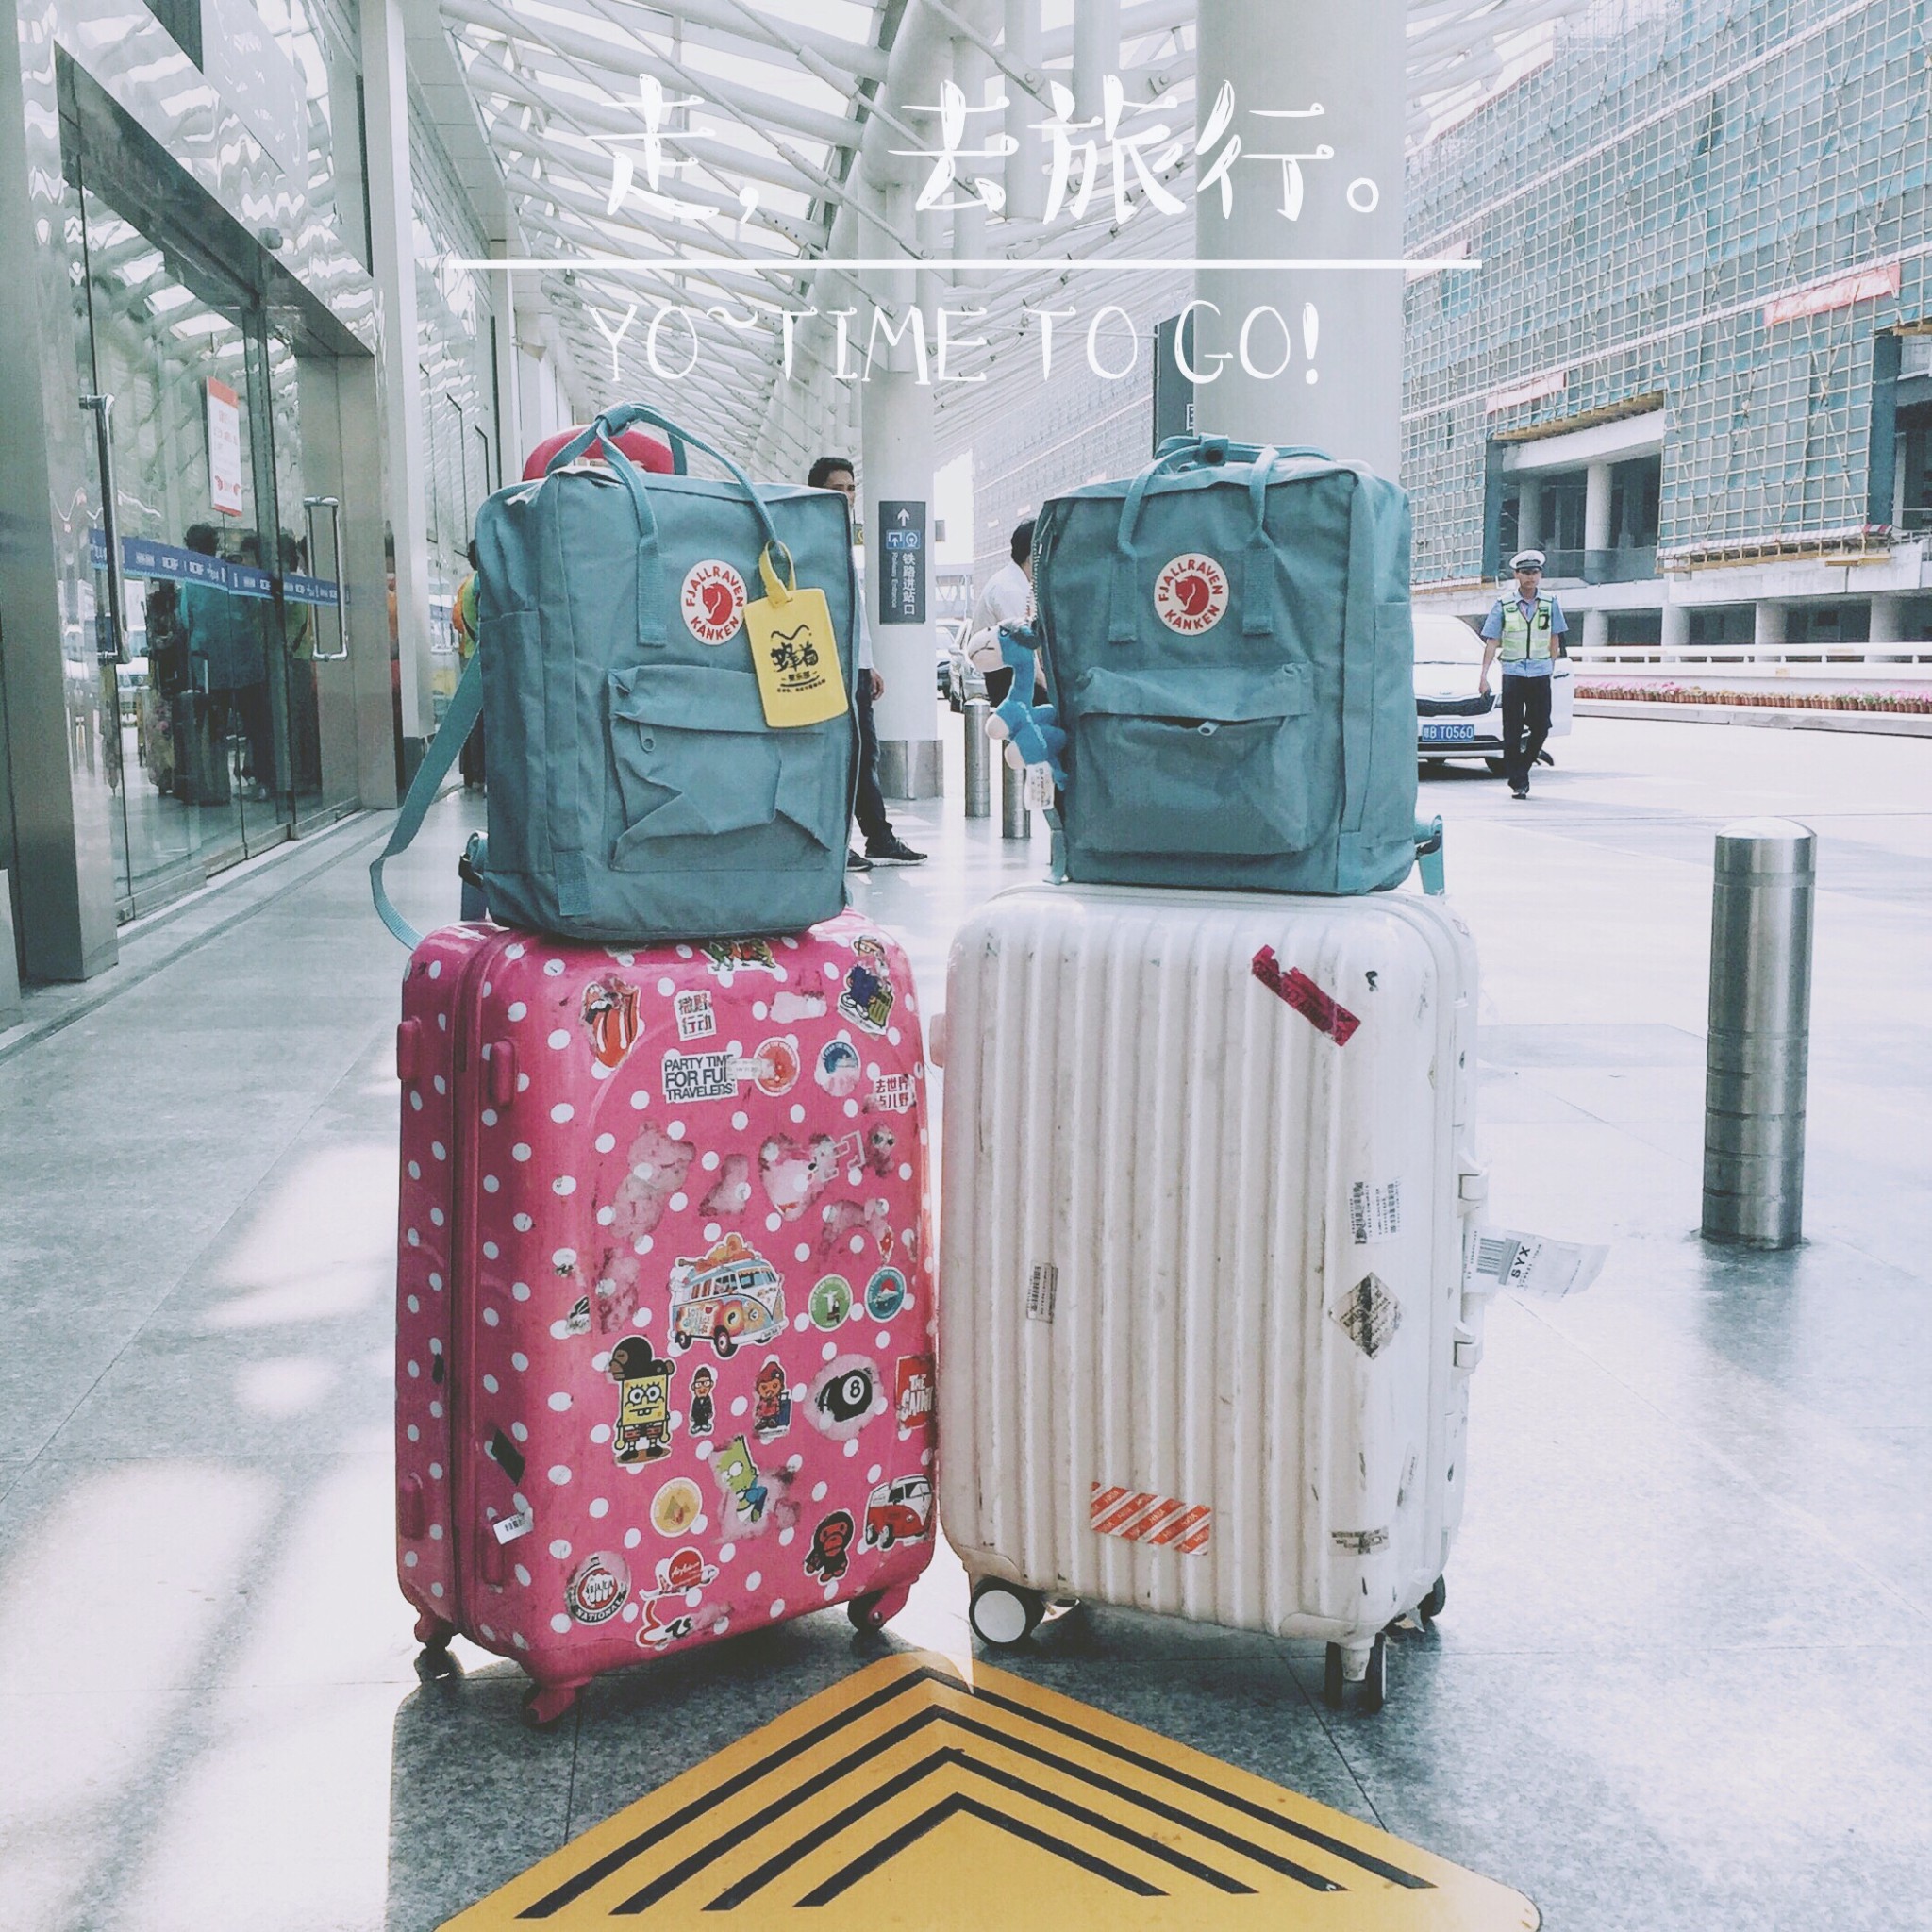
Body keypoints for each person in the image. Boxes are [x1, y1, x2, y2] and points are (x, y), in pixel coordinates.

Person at [807, 456, 925, 871]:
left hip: (853, 667)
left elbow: (854, 610)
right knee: (840, 757)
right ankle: (837, 843)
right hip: (828, 667)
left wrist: (867, 663)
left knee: (864, 754)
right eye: (836, 489)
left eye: (851, 488)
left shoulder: (843, 537)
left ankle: (878, 837)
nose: (846, 496)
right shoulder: (810, 538)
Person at [1480, 549, 1567, 799]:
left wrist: (1551, 667)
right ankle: (1519, 781)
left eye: (1535, 572)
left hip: (1540, 672)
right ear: (1516, 575)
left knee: (1541, 727)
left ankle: (1523, 767)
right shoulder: (1504, 604)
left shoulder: (1550, 602)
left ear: (1540, 575)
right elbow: (1492, 641)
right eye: (1526, 572)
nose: (1531, 577)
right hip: (1513, 673)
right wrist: (1483, 676)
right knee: (1512, 729)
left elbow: (1555, 638)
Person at [967, 519, 1035, 704]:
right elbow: (1025, 647)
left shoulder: (1015, 581)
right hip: (1008, 677)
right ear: (1032, 556)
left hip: (1009, 673)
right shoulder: (1010, 589)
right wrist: (1050, 687)